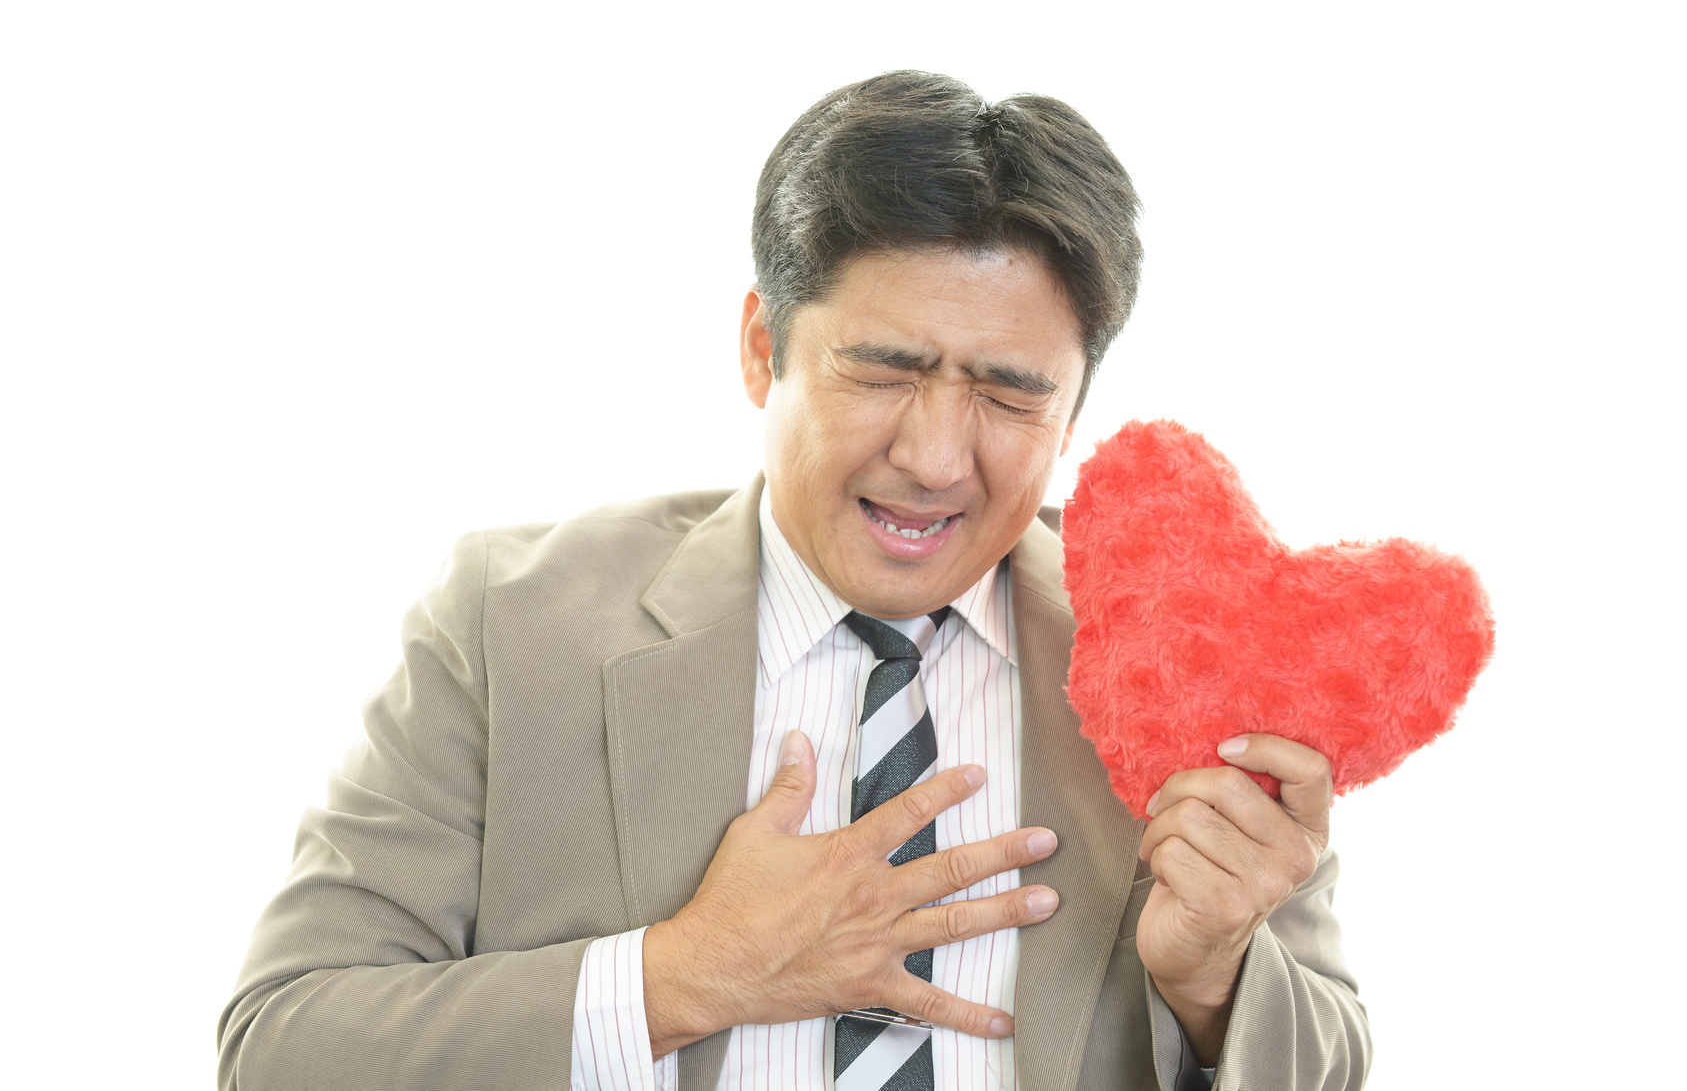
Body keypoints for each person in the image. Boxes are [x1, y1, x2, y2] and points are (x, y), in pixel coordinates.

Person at [218, 71, 1371, 1091]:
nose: (933, 458)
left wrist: (1213, 983)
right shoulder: (509, 622)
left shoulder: (1192, 657)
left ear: (1072, 411)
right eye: (882, 371)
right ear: (761, 346)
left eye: (1009, 394)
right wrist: (683, 975)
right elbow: (281, 1049)